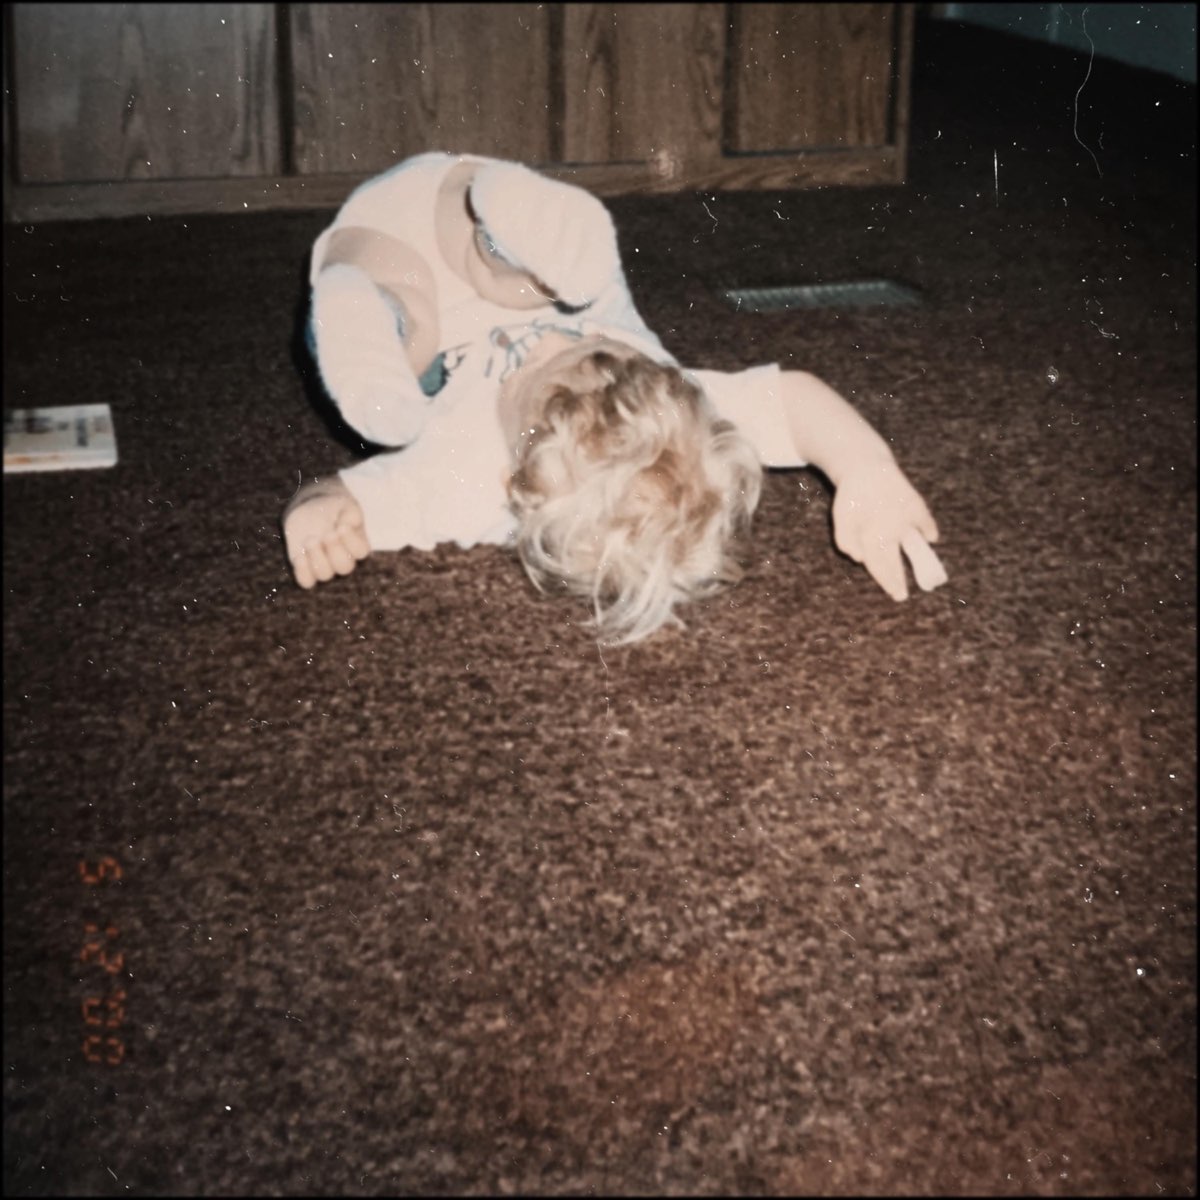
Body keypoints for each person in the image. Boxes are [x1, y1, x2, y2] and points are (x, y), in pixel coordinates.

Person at [283, 151, 947, 644]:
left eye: (538, 385)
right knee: (564, 286)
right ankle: (532, 228)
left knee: (403, 381)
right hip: (463, 209)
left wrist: (319, 515)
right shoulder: (683, 405)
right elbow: (796, 401)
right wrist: (866, 471)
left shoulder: (461, 480)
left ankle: (364, 330)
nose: (544, 349)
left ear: (514, 482)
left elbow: (353, 503)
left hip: (389, 251)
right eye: (602, 354)